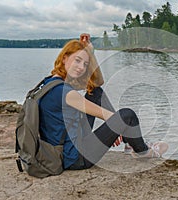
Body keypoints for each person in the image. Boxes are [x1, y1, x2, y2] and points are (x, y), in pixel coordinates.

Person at [38, 35, 168, 170]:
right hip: (74, 158)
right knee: (127, 115)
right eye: (77, 60)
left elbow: (96, 83)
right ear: (64, 58)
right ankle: (143, 151)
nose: (81, 67)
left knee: (94, 92)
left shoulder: (50, 82)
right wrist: (119, 128)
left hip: (63, 147)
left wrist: (91, 53)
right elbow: (107, 115)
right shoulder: (67, 94)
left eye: (85, 64)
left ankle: (130, 142)